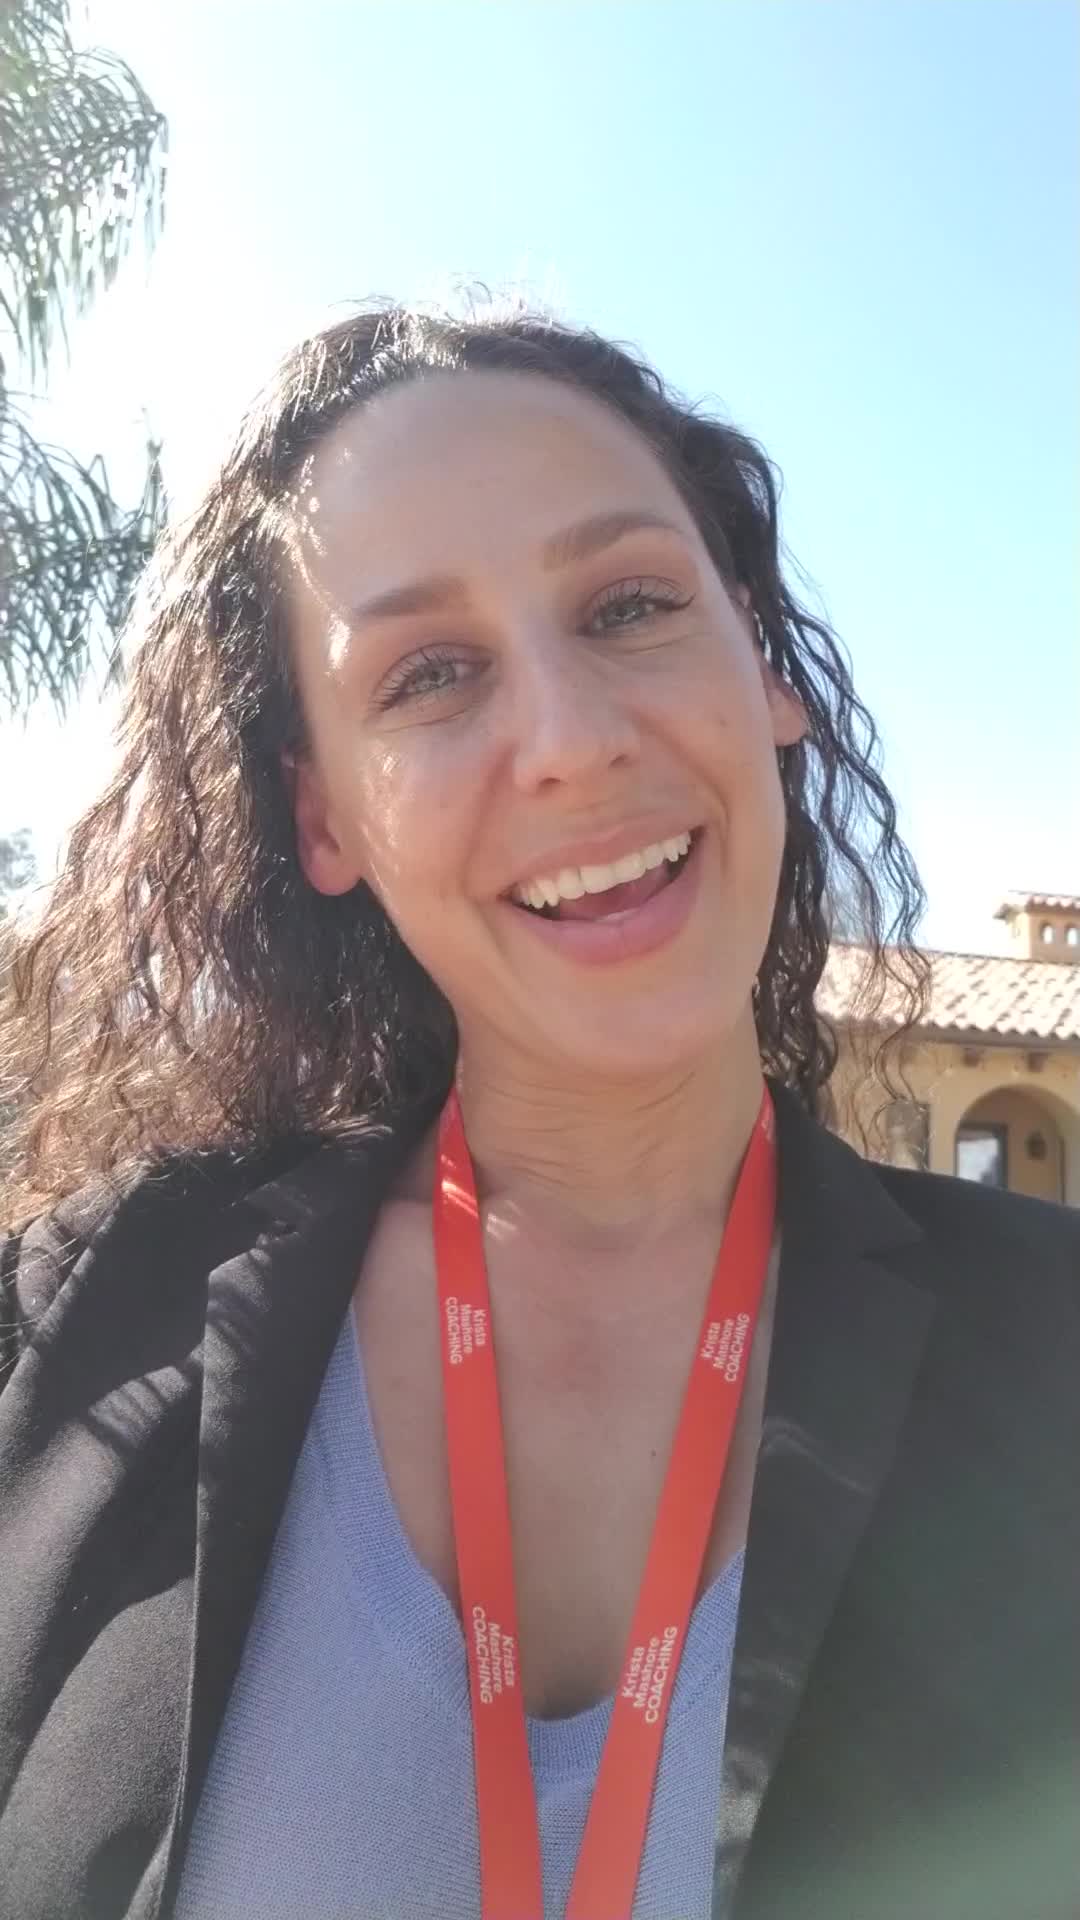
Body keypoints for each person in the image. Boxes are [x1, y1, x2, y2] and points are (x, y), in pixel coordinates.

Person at [0, 301, 1076, 1920]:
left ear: (766, 671)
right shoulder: (76, 1331)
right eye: (430, 675)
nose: (572, 744)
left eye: (630, 606)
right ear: (323, 818)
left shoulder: (1057, 1349)